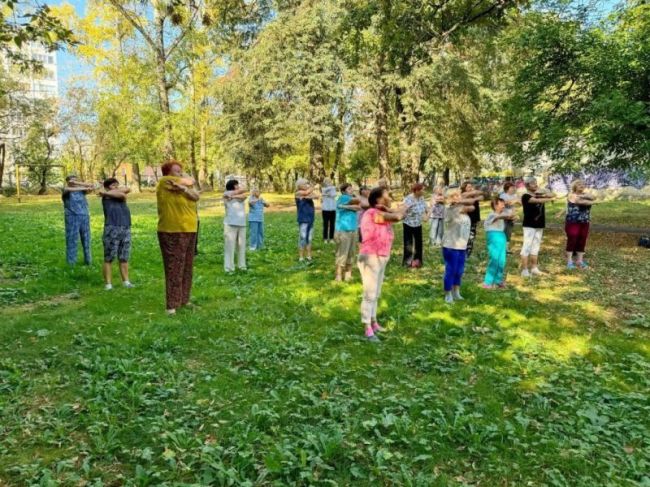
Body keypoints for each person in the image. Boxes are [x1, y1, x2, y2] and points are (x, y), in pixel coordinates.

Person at [358, 186, 407, 342]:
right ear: (378, 198)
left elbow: (394, 215)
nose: (390, 196)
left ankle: (374, 322)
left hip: (381, 256)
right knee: (369, 294)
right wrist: (404, 207)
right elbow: (398, 217)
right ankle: (367, 328)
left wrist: (390, 209)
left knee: (376, 293)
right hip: (370, 256)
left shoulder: (380, 212)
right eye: (387, 194)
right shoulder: (372, 213)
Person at [156, 161, 200, 315]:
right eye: (176, 171)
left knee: (187, 267)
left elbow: (196, 196)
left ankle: (184, 300)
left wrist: (183, 189)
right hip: (171, 230)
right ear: (168, 173)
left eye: (181, 171)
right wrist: (185, 183)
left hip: (190, 228)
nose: (180, 173)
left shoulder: (181, 185)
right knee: (174, 267)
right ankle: (171, 306)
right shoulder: (164, 182)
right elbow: (190, 181)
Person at [442, 189, 482, 303]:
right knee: (451, 270)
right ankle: (448, 293)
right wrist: (463, 199)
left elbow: (473, 207)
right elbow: (470, 206)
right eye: (456, 196)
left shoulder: (462, 208)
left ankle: (456, 292)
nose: (459, 197)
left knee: (459, 271)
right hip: (450, 245)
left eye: (459, 195)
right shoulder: (451, 209)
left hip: (462, 246)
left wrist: (461, 199)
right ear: (451, 198)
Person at [99, 178, 133, 290]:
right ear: (107, 187)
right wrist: (105, 192)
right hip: (111, 228)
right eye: (114, 185)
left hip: (125, 227)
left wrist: (105, 191)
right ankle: (108, 284)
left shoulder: (107, 193)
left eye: (117, 185)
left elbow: (127, 189)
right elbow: (122, 195)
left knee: (124, 257)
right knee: (109, 257)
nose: (117, 187)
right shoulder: (107, 196)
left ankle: (126, 282)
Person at [520, 178, 556, 277]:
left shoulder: (539, 194)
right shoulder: (525, 196)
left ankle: (534, 268)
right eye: (532, 183)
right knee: (526, 247)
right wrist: (549, 199)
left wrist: (543, 190)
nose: (535, 185)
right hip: (529, 225)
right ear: (527, 186)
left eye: (536, 183)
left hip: (539, 225)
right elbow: (536, 200)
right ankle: (524, 270)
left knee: (535, 247)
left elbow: (552, 194)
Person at [482, 197, 517, 289]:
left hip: (502, 235)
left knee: (502, 259)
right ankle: (488, 282)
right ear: (495, 205)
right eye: (501, 204)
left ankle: (498, 280)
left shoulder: (503, 213)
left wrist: (514, 204)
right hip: (493, 236)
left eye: (503, 204)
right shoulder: (491, 215)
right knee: (494, 258)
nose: (503, 206)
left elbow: (512, 214)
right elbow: (498, 217)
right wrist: (507, 216)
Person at [562, 180, 596, 269]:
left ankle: (580, 260)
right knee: (572, 239)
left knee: (582, 240)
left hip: (585, 221)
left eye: (583, 184)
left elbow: (593, 197)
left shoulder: (585, 195)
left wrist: (588, 197)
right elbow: (580, 202)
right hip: (573, 222)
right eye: (579, 184)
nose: (581, 186)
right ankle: (569, 261)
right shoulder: (571, 195)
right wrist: (593, 202)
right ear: (574, 186)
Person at [62, 174, 94, 265]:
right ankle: (71, 263)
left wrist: (80, 184)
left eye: (75, 180)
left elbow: (91, 186)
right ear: (68, 182)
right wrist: (82, 187)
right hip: (72, 217)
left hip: (84, 216)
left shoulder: (82, 191)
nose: (74, 183)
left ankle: (88, 261)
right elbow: (68, 189)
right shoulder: (66, 189)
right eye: (72, 181)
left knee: (86, 239)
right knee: (72, 240)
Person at [334, 183, 361, 281]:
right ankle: (338, 275)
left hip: (353, 229)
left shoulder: (349, 198)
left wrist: (345, 207)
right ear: (344, 191)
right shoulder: (343, 197)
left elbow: (359, 207)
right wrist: (350, 206)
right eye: (349, 189)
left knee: (351, 252)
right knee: (342, 253)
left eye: (352, 188)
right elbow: (358, 201)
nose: (352, 190)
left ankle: (348, 274)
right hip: (343, 229)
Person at [223, 179, 248, 273]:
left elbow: (244, 195)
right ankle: (229, 268)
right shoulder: (226, 193)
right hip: (230, 223)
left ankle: (242, 266)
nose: (238, 186)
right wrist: (233, 195)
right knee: (230, 246)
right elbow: (226, 195)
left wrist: (233, 196)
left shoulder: (235, 194)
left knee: (241, 245)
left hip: (241, 223)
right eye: (236, 185)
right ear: (232, 186)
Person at [401, 183, 428, 267]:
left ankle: (417, 261)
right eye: (422, 189)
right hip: (408, 224)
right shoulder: (408, 199)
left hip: (418, 224)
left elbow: (425, 210)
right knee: (408, 244)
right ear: (416, 190)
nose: (424, 191)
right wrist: (404, 211)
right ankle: (407, 262)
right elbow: (402, 212)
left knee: (419, 243)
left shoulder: (422, 198)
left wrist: (429, 210)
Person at [295, 178, 319, 262]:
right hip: (303, 219)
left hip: (310, 218)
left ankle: (309, 255)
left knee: (309, 238)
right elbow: (306, 193)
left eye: (307, 184)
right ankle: (301, 257)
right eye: (305, 184)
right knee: (303, 237)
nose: (307, 185)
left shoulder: (307, 194)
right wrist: (313, 186)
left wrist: (311, 191)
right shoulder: (298, 193)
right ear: (300, 185)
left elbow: (316, 196)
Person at [460, 181, 484, 258]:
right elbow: (474, 197)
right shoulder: (463, 194)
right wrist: (476, 196)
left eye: (471, 186)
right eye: (468, 187)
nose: (470, 188)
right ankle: (462, 251)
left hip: (474, 218)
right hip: (466, 218)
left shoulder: (473, 194)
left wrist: (476, 195)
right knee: (464, 235)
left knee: (472, 236)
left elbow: (482, 196)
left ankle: (468, 253)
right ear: (464, 188)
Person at [499, 181, 520, 252]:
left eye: (514, 188)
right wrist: (514, 201)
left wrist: (516, 201)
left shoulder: (514, 196)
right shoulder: (503, 195)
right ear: (507, 188)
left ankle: (506, 248)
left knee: (509, 232)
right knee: (502, 231)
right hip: (503, 217)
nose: (514, 189)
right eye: (512, 188)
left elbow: (520, 203)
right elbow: (504, 203)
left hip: (511, 216)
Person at [321, 178, 337, 244]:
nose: (328, 183)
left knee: (332, 224)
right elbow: (324, 192)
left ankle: (331, 238)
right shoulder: (323, 189)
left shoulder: (333, 188)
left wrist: (327, 194)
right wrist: (328, 192)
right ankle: (325, 238)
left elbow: (333, 195)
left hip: (333, 209)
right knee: (325, 224)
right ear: (324, 183)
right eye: (326, 182)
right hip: (325, 209)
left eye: (329, 182)